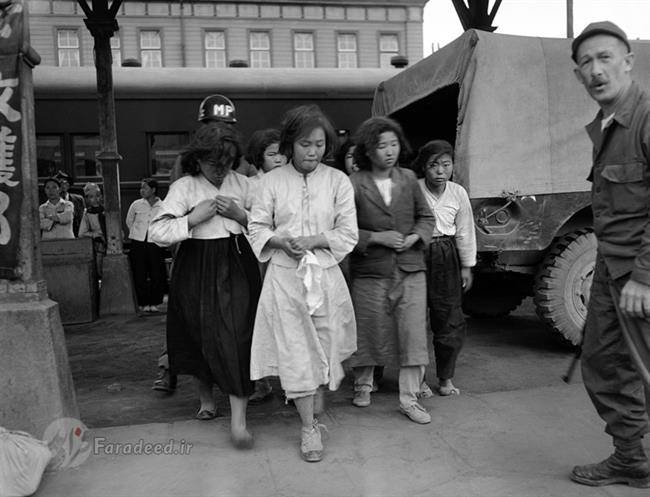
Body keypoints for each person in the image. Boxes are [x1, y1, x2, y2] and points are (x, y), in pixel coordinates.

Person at [248, 104, 358, 462]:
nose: (313, 152)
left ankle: (313, 396)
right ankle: (309, 427)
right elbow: (257, 227)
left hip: (325, 276)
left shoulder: (338, 181)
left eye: (320, 144)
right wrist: (281, 241)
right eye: (305, 144)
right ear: (289, 145)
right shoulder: (270, 182)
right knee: (296, 352)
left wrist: (312, 241)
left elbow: (348, 232)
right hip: (285, 278)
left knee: (326, 347)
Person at [570, 21, 650, 488]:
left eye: (605, 58)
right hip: (612, 266)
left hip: (639, 271)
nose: (596, 70)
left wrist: (643, 274)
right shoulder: (606, 124)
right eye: (586, 63)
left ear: (628, 61)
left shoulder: (644, 118)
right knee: (603, 363)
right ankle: (629, 457)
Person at [149, 122, 260, 449]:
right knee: (198, 329)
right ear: (198, 160)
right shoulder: (185, 186)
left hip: (238, 262)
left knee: (237, 334)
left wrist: (242, 216)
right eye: (213, 163)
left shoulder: (245, 184)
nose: (220, 169)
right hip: (196, 263)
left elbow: (271, 227)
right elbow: (156, 233)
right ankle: (206, 398)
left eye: (226, 161)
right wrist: (191, 220)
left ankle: (239, 421)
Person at [347, 116, 435, 424]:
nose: (389, 151)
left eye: (394, 144)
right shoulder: (354, 183)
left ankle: (409, 399)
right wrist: (375, 238)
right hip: (370, 270)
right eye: (381, 145)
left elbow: (426, 217)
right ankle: (362, 385)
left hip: (410, 267)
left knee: (412, 333)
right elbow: (343, 229)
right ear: (367, 151)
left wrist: (414, 237)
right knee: (368, 328)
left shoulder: (409, 178)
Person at [413, 140, 476, 397]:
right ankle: (417, 381)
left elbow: (465, 231)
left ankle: (445, 378)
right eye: (433, 165)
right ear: (424, 167)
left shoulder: (457, 192)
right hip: (417, 253)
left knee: (449, 318)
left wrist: (466, 266)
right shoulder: (413, 189)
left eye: (446, 165)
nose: (440, 171)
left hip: (446, 254)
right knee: (415, 319)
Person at [244, 128, 287, 403]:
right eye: (272, 154)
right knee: (258, 319)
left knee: (285, 321)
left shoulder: (292, 182)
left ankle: (291, 383)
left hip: (283, 259)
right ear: (259, 158)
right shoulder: (252, 186)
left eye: (283, 153)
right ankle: (261, 381)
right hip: (257, 259)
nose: (280, 159)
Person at [125, 178, 168, 313]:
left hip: (155, 243)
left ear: (153, 190)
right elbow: (129, 221)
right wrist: (137, 233)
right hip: (138, 243)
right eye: (141, 187)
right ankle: (142, 303)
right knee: (139, 273)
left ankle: (155, 302)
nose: (141, 190)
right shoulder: (136, 204)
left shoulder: (163, 206)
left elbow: (167, 223)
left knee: (157, 273)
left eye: (145, 187)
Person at [78, 182, 107, 280]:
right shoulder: (88, 213)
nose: (95, 199)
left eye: (98, 195)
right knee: (100, 271)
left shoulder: (107, 210)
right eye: (91, 196)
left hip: (112, 243)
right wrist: (96, 235)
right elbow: (81, 233)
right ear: (87, 198)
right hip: (99, 246)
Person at [54, 171, 85, 237]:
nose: (61, 186)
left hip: (76, 236)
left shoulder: (78, 200)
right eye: (58, 184)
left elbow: (83, 221)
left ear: (68, 185)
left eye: (63, 183)